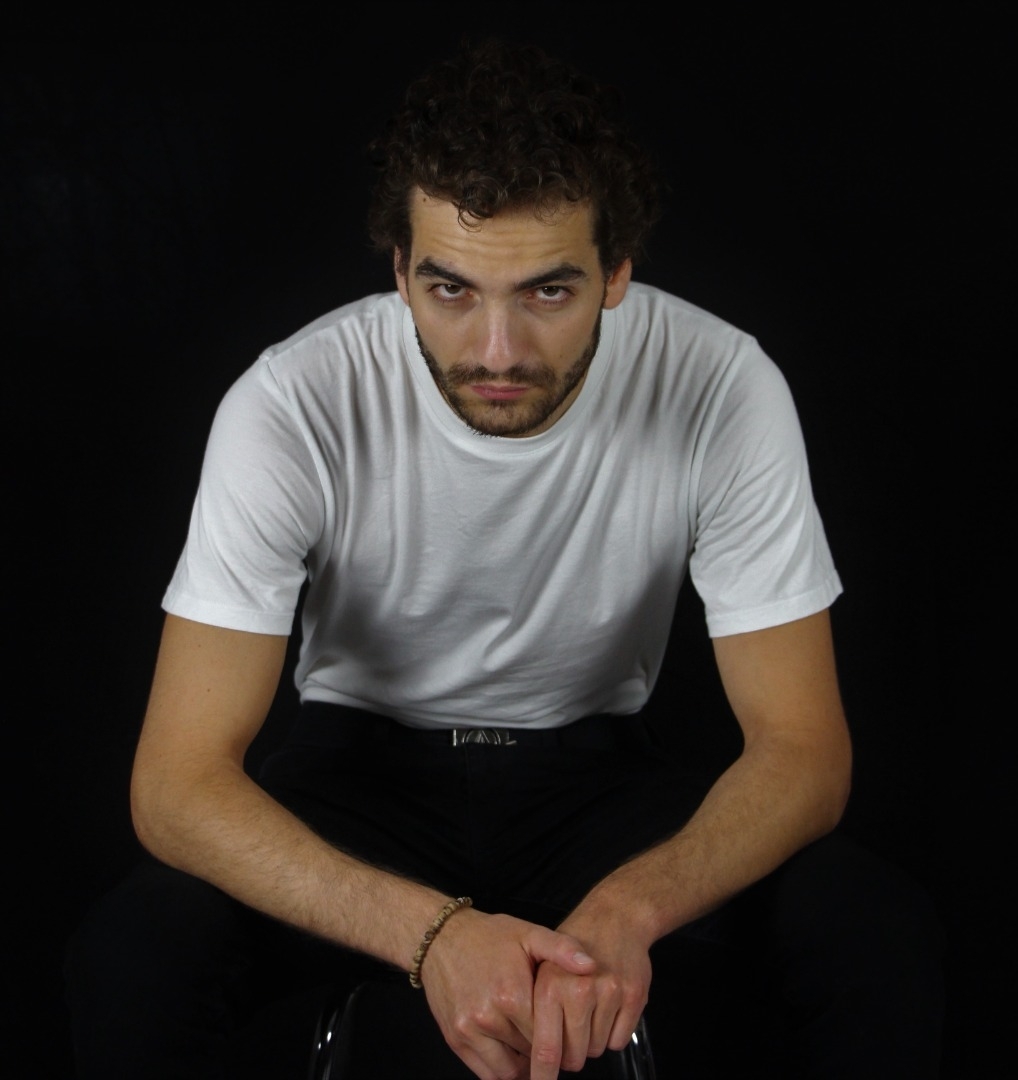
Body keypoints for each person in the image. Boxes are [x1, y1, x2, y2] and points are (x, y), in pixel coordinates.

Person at [64, 37, 944, 1080]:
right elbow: (174, 784)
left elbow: (803, 752)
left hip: (596, 784)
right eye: (450, 290)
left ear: (617, 273)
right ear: (400, 271)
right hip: (357, 776)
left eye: (547, 293)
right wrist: (432, 934)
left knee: (872, 932)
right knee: (135, 955)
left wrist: (629, 911)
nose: (497, 351)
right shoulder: (293, 401)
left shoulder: (721, 383)